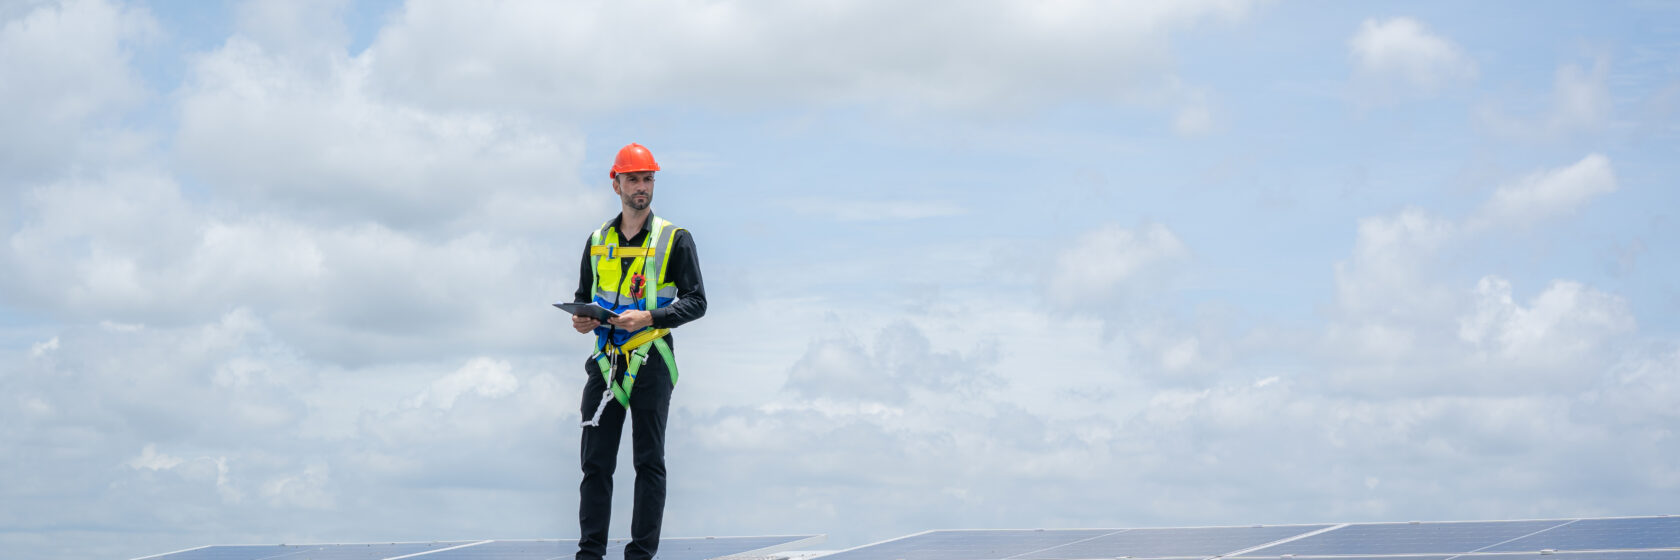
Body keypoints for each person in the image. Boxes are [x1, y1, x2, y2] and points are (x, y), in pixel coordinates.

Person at [570, 142, 706, 560]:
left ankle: (640, 555)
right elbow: (583, 297)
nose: (641, 187)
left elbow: (697, 302)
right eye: (633, 180)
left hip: (652, 359)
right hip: (605, 361)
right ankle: (590, 554)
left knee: (649, 461)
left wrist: (649, 318)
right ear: (617, 185)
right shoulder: (597, 240)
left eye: (647, 179)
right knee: (595, 463)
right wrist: (582, 319)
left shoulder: (675, 239)